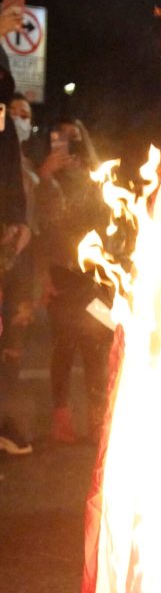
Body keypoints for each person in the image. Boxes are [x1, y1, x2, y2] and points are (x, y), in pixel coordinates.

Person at [36, 117, 111, 444]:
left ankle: (98, 422)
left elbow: (109, 223)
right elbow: (40, 226)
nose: (67, 143)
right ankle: (62, 421)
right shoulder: (47, 178)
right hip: (62, 275)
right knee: (64, 348)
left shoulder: (97, 178)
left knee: (96, 347)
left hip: (94, 278)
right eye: (60, 137)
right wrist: (44, 176)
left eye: (73, 136)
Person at [0, 93, 39, 454]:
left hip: (19, 265)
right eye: (12, 113)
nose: (16, 119)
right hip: (6, 258)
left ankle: (5, 424)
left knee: (12, 348)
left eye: (24, 114)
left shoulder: (21, 164)